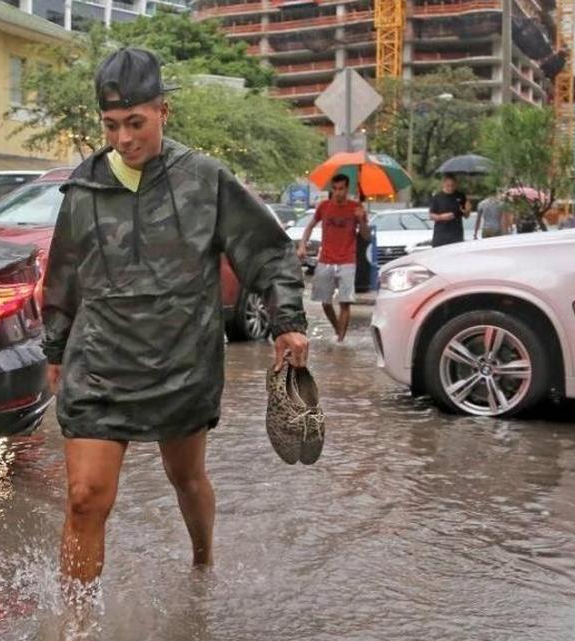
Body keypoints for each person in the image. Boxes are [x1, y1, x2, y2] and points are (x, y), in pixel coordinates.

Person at [41, 47, 310, 588]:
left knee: (184, 477)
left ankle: (203, 563)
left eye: (136, 122)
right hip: (100, 363)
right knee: (84, 498)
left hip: (182, 359)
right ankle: (76, 626)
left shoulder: (205, 179)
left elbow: (268, 251)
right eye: (112, 125)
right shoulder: (84, 187)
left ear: (163, 111)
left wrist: (287, 321)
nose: (123, 139)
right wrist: (54, 347)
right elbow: (65, 271)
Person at [295, 174, 369, 342]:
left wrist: (361, 220)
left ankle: (340, 342)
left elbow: (366, 236)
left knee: (345, 302)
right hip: (326, 260)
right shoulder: (324, 207)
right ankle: (338, 330)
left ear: (347, 189)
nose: (338, 192)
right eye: (334, 189)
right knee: (324, 302)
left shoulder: (356, 208)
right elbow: (310, 226)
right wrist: (302, 245)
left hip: (347, 261)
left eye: (341, 189)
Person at [429, 174, 469, 247]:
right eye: (448, 185)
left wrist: (468, 210)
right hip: (441, 235)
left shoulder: (460, 196)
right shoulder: (437, 197)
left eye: (453, 185)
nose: (450, 188)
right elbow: (431, 216)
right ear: (443, 184)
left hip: (456, 235)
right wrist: (441, 217)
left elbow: (466, 216)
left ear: (456, 184)